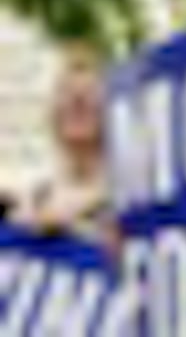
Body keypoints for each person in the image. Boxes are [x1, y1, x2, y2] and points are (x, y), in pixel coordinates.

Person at [10, 42, 111, 243]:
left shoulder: (131, 199)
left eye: (90, 92)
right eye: (66, 91)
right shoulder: (29, 202)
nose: (77, 99)